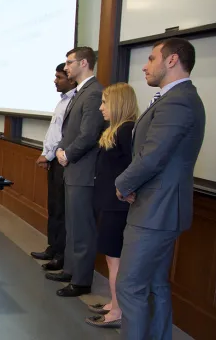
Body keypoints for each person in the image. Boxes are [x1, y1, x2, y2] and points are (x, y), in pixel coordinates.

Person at [115, 38, 205, 340]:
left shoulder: (179, 100)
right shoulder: (174, 98)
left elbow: (153, 155)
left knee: (130, 287)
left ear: (171, 60)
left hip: (156, 210)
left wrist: (122, 183)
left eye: (151, 58)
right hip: (158, 207)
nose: (144, 65)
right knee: (154, 286)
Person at [46, 46, 105, 297]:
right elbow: (67, 131)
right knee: (71, 225)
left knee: (81, 228)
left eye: (69, 62)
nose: (66, 67)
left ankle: (81, 280)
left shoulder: (93, 93)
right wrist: (60, 149)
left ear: (83, 63)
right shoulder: (79, 93)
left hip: (83, 170)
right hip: (71, 168)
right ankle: (70, 269)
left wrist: (67, 154)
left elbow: (89, 134)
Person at [84, 83, 138, 329]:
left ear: (117, 104)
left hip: (117, 206)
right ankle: (113, 302)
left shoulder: (126, 131)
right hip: (108, 203)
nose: (101, 107)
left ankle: (117, 310)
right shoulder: (115, 130)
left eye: (105, 102)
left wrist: (128, 190)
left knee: (115, 259)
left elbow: (135, 166)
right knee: (110, 258)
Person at [31, 63, 77, 271]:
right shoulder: (61, 102)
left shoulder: (75, 102)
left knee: (62, 208)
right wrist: (45, 153)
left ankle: (61, 254)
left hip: (64, 160)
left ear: (71, 79)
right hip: (53, 159)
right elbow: (53, 133)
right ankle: (53, 246)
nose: (55, 80)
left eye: (59, 76)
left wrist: (51, 155)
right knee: (54, 207)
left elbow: (65, 136)